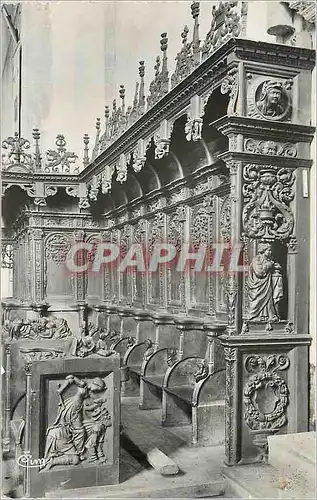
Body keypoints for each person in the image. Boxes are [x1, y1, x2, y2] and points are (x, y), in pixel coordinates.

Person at [247, 242, 283, 322]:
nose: (270, 252)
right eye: (268, 250)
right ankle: (253, 316)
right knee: (257, 300)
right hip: (258, 285)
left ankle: (268, 316)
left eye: (270, 250)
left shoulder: (269, 259)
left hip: (266, 284)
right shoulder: (256, 259)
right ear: (263, 250)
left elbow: (273, 266)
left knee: (268, 299)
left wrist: (275, 266)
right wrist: (269, 265)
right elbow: (259, 272)